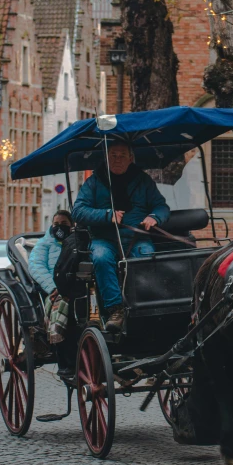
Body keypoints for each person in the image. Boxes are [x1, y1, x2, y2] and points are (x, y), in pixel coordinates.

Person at [72, 141, 170, 333]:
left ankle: (144, 306)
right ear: (106, 158)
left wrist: (154, 217)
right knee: (100, 257)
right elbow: (78, 211)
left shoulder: (143, 181)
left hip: (137, 238)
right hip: (104, 239)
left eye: (122, 155)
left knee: (146, 256)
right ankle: (115, 310)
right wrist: (107, 215)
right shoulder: (94, 181)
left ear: (131, 158)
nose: (117, 159)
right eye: (113, 155)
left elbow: (162, 206)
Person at [28, 210, 73, 295]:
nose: (60, 227)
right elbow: (36, 266)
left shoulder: (78, 243)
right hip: (51, 288)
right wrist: (53, 288)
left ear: (72, 225)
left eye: (64, 224)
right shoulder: (43, 243)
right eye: (56, 224)